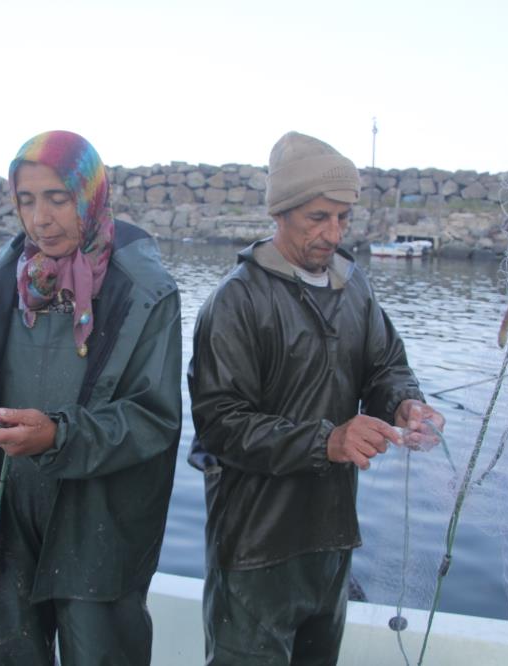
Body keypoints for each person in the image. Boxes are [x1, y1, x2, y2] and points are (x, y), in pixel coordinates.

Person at [0, 130, 182, 665]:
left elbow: (153, 418)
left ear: (90, 195)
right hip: (3, 521)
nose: (40, 219)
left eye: (58, 199)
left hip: (99, 529)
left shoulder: (145, 291)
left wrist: (57, 435)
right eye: (26, 200)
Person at [187, 131, 445, 665]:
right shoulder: (235, 300)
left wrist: (404, 403)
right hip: (255, 548)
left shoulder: (356, 288)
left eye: (343, 218)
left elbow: (386, 367)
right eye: (317, 218)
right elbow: (221, 425)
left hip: (331, 541)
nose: (333, 233)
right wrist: (328, 440)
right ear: (280, 213)